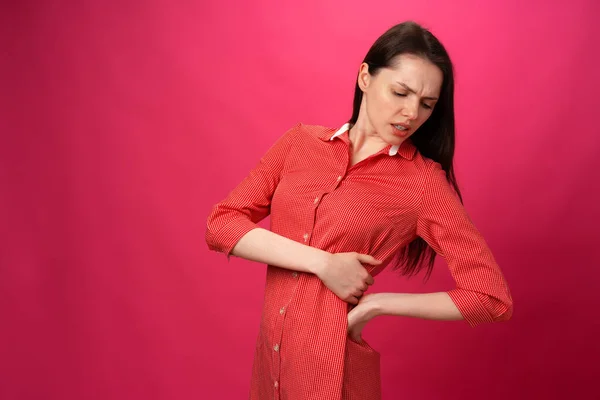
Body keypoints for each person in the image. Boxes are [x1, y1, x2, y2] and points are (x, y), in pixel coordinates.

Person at [205, 20, 513, 400]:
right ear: (365, 77)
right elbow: (221, 224)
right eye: (400, 92)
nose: (411, 113)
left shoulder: (422, 183)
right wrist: (323, 263)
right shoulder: (299, 143)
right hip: (271, 368)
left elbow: (491, 298)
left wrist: (376, 305)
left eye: (426, 103)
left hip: (335, 375)